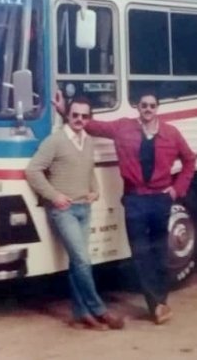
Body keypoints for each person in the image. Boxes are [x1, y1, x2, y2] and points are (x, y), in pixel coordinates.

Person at [54, 90, 196, 325]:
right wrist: (63, 110)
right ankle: (157, 305)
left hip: (161, 200)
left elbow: (190, 160)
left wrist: (176, 190)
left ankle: (161, 301)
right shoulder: (123, 128)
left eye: (152, 105)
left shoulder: (171, 133)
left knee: (160, 253)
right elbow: (92, 126)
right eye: (143, 105)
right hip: (134, 200)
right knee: (140, 254)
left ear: (157, 108)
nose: (148, 109)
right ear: (137, 107)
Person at [25, 96, 124, 331]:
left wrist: (95, 190)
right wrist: (54, 196)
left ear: (89, 118)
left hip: (84, 208)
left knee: (76, 263)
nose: (80, 119)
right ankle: (99, 309)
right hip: (64, 211)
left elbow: (89, 168)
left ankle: (81, 314)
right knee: (82, 259)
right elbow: (33, 171)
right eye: (75, 115)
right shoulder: (55, 141)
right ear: (68, 116)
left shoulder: (88, 141)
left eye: (84, 116)